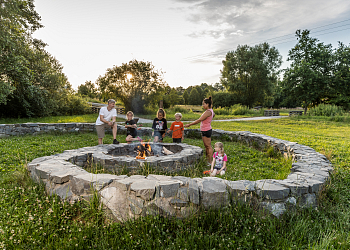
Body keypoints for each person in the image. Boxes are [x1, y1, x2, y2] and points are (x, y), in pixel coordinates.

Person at [185, 96, 215, 164]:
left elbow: (199, 120)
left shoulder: (208, 111)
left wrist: (189, 124)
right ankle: (208, 160)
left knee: (208, 146)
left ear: (207, 104)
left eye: (204, 104)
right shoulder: (211, 111)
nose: (203, 105)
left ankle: (210, 162)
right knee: (207, 146)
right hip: (206, 129)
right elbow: (214, 115)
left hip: (206, 130)